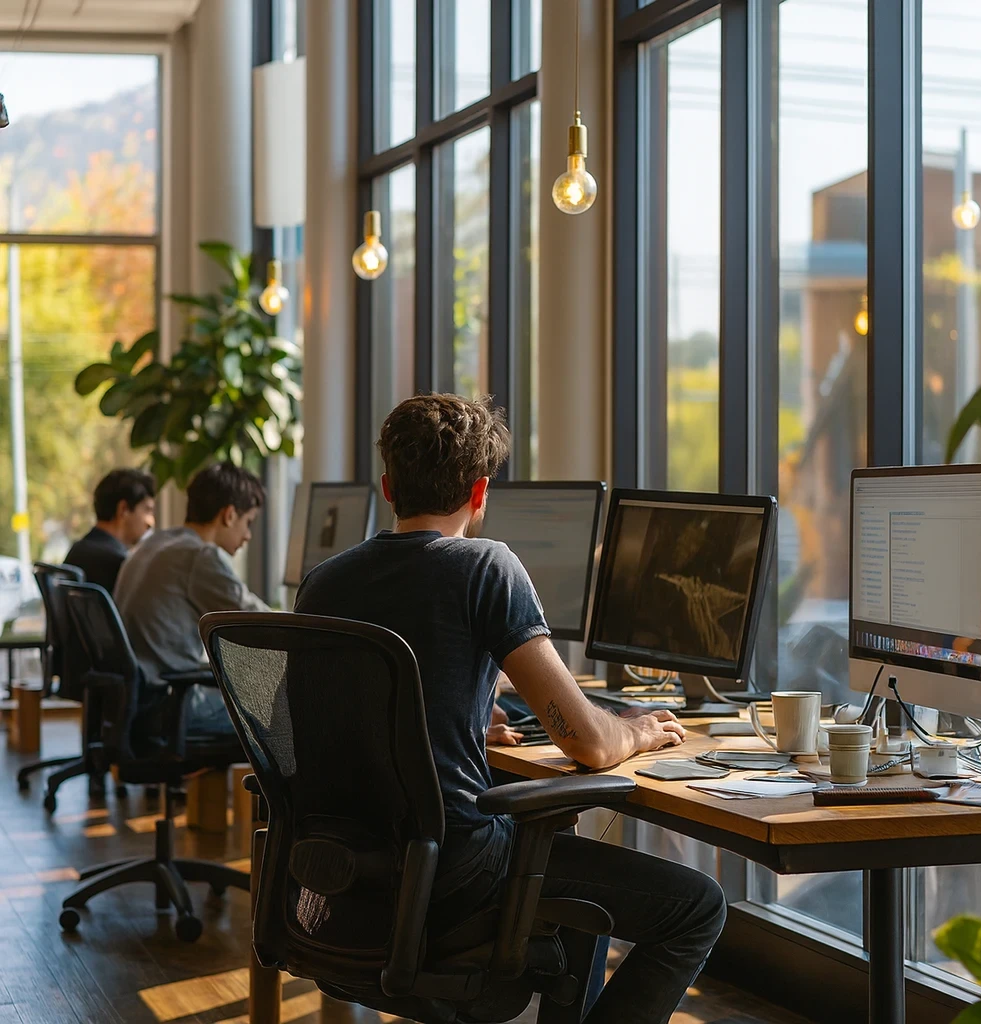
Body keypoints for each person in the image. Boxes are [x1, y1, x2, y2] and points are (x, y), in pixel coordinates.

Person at [295, 393, 726, 1024]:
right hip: (453, 876)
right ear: (480, 491)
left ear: (388, 486)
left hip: (349, 878)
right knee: (698, 908)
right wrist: (634, 729)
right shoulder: (485, 566)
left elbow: (342, 719)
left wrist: (458, 725)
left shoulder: (324, 582)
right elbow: (589, 745)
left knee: (558, 850)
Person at [114, 461, 269, 734]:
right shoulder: (199, 556)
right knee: (278, 719)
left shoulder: (154, 542)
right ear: (229, 515)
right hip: (169, 705)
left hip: (136, 702)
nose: (247, 536)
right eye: (249, 522)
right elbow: (259, 620)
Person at [65, 469, 157, 593]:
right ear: (123, 509)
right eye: (147, 510)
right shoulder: (120, 565)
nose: (151, 522)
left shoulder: (76, 551)